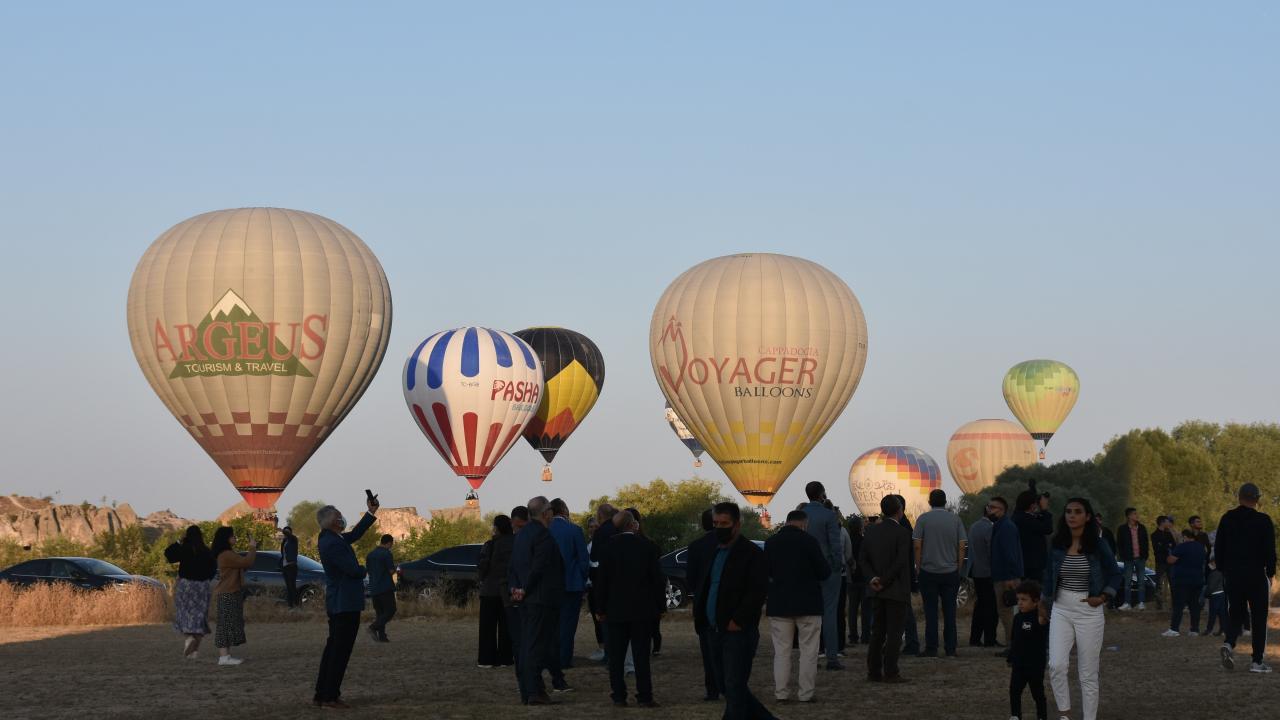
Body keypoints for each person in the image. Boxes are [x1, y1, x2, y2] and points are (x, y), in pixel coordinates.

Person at [694, 502, 776, 720]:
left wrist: (738, 620)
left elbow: (757, 591)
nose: (719, 527)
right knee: (725, 685)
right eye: (716, 523)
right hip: (713, 629)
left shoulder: (751, 553)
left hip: (737, 631)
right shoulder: (713, 551)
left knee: (734, 684)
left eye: (724, 523)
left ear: (737, 525)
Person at [1041, 498, 1120, 720]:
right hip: (1061, 608)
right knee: (1056, 664)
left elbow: (1115, 573)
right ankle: (1064, 714)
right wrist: (1043, 603)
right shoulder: (1057, 544)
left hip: (1089, 611)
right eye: (1068, 511)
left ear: (1087, 517)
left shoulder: (1098, 545)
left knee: (1087, 672)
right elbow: (1048, 575)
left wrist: (1103, 597)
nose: (1071, 516)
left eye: (1077, 512)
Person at [313, 495, 378, 708]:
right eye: (339, 516)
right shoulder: (332, 543)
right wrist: (364, 569)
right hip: (344, 603)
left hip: (340, 602)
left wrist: (370, 513)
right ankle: (330, 696)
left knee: (333, 648)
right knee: (340, 651)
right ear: (332, 521)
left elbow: (356, 534)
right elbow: (351, 570)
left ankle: (322, 694)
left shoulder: (332, 539)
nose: (342, 519)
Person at [595, 511, 664, 708]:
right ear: (633, 525)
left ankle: (618, 695)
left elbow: (602, 582)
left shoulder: (607, 549)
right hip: (642, 610)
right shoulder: (648, 547)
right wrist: (660, 606)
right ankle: (644, 695)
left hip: (615, 610)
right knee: (641, 655)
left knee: (616, 657)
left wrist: (600, 608)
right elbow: (656, 580)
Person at [765, 509, 829, 703]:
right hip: (808, 604)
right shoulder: (809, 542)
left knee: (782, 652)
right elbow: (824, 572)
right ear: (804, 524)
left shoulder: (771, 543)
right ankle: (806, 693)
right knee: (809, 651)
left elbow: (765, 571)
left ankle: (781, 693)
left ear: (786, 522)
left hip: (779, 604)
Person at [510, 496, 568, 704]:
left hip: (526, 599)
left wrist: (516, 589)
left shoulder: (521, 535)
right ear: (546, 513)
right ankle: (535, 691)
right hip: (541, 598)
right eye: (550, 510)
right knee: (537, 646)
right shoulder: (543, 536)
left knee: (527, 644)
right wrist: (526, 588)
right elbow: (540, 567)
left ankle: (529, 690)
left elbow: (514, 566)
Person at [1214, 482, 1277, 673]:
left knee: (1236, 614)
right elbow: (1269, 550)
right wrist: (1271, 572)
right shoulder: (1263, 520)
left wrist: (1223, 569)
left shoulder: (1227, 518)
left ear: (1239, 497)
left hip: (1233, 574)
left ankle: (1229, 643)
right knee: (1258, 618)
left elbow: (1219, 547)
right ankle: (1257, 662)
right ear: (1257, 499)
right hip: (1256, 574)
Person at [860, 494, 912, 684]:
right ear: (900, 510)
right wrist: (885, 580)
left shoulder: (871, 531)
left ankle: (873, 671)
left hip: (876, 590)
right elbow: (900, 562)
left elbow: (863, 559)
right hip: (896, 590)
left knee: (877, 632)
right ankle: (891, 671)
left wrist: (873, 579)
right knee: (894, 633)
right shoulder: (903, 533)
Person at [912, 488, 966, 657]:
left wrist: (918, 566)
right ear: (946, 502)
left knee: (930, 611)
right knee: (950, 612)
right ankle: (950, 648)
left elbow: (917, 545)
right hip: (950, 571)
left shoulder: (923, 519)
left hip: (928, 571)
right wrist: (959, 567)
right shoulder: (955, 519)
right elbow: (962, 545)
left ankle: (931, 648)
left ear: (930, 502)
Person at [800, 481, 844, 670]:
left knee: (807, 615)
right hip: (827, 570)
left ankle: (810, 657)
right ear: (822, 494)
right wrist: (837, 565)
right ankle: (832, 658)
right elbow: (835, 544)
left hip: (805, 571)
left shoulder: (800, 516)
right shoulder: (829, 515)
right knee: (829, 614)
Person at [549, 498, 590, 669]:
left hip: (549, 587)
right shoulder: (574, 530)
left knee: (551, 625)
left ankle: (550, 659)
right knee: (568, 625)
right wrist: (582, 580)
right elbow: (583, 559)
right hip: (571, 585)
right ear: (565, 510)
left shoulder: (544, 530)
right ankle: (564, 659)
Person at [685, 508, 721, 702]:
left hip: (703, 605)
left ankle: (712, 689)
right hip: (727, 605)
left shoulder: (696, 546)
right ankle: (731, 685)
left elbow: (690, 579)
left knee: (708, 651)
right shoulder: (731, 544)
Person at [164, 524, 216, 659]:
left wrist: (178, 542)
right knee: (199, 617)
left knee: (185, 613)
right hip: (202, 587)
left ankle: (189, 639)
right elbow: (213, 569)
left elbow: (169, 555)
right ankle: (194, 651)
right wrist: (205, 579)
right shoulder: (206, 551)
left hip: (186, 585)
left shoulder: (185, 549)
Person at [210, 525, 256, 667]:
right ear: (226, 539)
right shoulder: (226, 555)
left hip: (230, 592)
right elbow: (246, 562)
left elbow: (243, 565)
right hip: (227, 593)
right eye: (232, 535)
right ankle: (224, 658)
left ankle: (227, 656)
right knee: (225, 625)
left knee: (230, 624)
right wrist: (252, 547)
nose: (235, 537)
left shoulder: (228, 553)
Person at [477, 514, 516, 668]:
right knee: (506, 626)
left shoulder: (490, 545)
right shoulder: (516, 543)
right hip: (508, 589)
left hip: (490, 590)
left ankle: (487, 659)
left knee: (487, 627)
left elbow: (482, 566)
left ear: (497, 528)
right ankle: (506, 658)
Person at [1008, 580, 1049, 720]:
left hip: (1035, 664)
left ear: (1036, 601)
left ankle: (1042, 716)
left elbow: (1045, 615)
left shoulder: (1039, 618)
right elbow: (1014, 640)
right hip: (1019, 664)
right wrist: (1011, 656)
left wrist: (1043, 607)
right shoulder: (1017, 618)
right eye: (1018, 599)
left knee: (1037, 692)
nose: (1020, 603)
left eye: (1024, 600)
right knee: (1014, 690)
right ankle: (1015, 715)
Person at [989, 496, 1023, 653]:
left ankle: (1012, 646)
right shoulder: (1000, 526)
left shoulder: (1006, 527)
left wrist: (1010, 577)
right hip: (1002, 575)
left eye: (993, 507)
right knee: (1006, 611)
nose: (989, 509)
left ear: (1002, 510)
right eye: (989, 506)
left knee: (1006, 611)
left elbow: (1009, 554)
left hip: (1005, 577)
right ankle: (1013, 644)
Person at [890, 494, 921, 656]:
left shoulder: (903, 529)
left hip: (901, 577)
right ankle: (909, 642)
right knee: (903, 610)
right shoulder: (906, 527)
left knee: (904, 611)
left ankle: (912, 643)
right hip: (903, 576)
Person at [1164, 529, 1207, 637]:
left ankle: (1174, 629)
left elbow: (1171, 560)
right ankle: (1194, 629)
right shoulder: (1201, 547)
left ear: (1185, 537)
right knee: (1194, 606)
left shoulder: (1182, 547)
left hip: (1182, 580)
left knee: (1178, 605)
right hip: (1197, 580)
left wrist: (1169, 555)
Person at [967, 504, 998, 648]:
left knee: (980, 605)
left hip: (976, 571)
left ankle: (975, 638)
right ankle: (990, 639)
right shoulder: (990, 528)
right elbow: (991, 550)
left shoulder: (974, 526)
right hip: (988, 572)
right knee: (991, 607)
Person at [1013, 491, 1053, 589]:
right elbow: (1048, 529)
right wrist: (1044, 509)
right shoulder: (1025, 519)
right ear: (1032, 505)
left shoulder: (1018, 516)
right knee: (1033, 594)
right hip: (1032, 567)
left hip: (1024, 565)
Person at [1114, 507, 1150, 610]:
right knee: (1128, 581)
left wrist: (1145, 555)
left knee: (1141, 581)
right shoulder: (1122, 529)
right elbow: (1119, 544)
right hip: (1128, 559)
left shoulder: (1142, 527)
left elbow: (1146, 542)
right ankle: (1127, 603)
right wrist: (1123, 556)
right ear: (1129, 516)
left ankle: (1141, 603)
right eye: (1134, 514)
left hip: (1141, 558)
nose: (1137, 515)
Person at [366, 534, 396, 642]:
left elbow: (368, 571)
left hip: (374, 587)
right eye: (391, 544)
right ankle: (373, 627)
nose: (391, 546)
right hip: (385, 587)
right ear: (389, 542)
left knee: (380, 613)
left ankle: (382, 637)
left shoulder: (370, 555)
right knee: (391, 610)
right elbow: (391, 571)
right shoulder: (386, 554)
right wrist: (396, 568)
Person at [846, 515, 871, 646]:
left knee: (852, 610)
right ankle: (866, 635)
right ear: (860, 527)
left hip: (851, 579)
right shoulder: (864, 541)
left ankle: (853, 636)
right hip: (864, 578)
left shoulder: (848, 540)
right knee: (866, 609)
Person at [584, 516, 605, 663]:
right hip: (591, 586)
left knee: (601, 617)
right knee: (596, 619)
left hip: (599, 585)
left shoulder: (602, 545)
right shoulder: (588, 545)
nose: (593, 529)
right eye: (590, 526)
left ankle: (605, 649)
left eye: (595, 526)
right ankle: (602, 647)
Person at [1150, 516, 1175, 611]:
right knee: (1159, 583)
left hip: (1170, 562)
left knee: (1173, 582)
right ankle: (1159, 604)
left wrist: (1166, 546)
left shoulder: (1169, 534)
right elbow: (1158, 549)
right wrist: (1167, 546)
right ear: (1162, 522)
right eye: (1167, 522)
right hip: (1160, 562)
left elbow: (1173, 545)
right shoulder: (1154, 535)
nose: (1169, 523)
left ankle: (1173, 604)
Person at [1204, 561, 1229, 636]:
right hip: (1222, 594)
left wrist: (1206, 594)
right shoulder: (1222, 572)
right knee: (1222, 614)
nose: (1210, 565)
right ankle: (1223, 630)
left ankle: (1209, 630)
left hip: (1215, 595)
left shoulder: (1214, 574)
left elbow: (1211, 586)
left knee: (1213, 614)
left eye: (1211, 563)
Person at [280, 525, 300, 608]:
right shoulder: (285, 541)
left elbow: (289, 535)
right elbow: (283, 553)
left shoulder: (293, 539)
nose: (286, 533)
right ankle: (290, 605)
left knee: (292, 586)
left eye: (287, 531)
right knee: (288, 587)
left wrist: (283, 530)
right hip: (285, 566)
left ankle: (295, 604)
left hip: (291, 566)